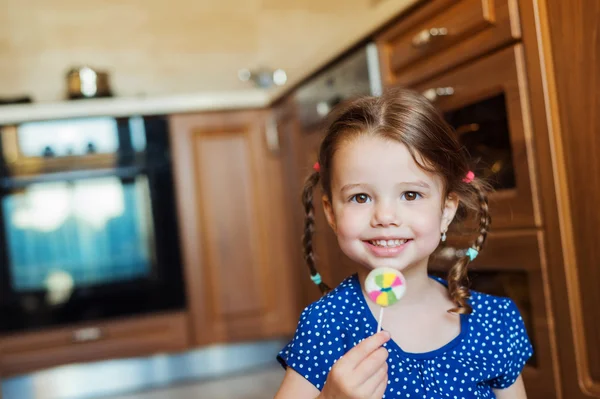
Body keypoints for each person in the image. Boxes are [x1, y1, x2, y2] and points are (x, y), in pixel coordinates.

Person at [274, 88, 533, 399]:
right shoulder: (326, 325)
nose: (385, 216)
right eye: (360, 197)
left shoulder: (494, 321)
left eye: (411, 195)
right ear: (331, 213)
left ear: (446, 210)